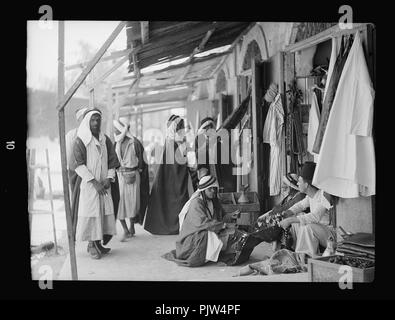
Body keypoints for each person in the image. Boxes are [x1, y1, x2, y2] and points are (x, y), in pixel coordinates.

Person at [70, 108, 120, 259]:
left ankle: (98, 243)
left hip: (104, 184)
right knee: (91, 213)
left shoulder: (105, 139)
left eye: (98, 120)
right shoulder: (80, 140)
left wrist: (108, 178)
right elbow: (78, 164)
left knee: (102, 213)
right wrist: (94, 182)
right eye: (93, 120)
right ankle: (91, 245)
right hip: (90, 185)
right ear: (87, 122)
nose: (96, 122)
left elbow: (112, 161)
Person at [163, 175, 239, 267]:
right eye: (210, 189)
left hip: (207, 229)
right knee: (207, 234)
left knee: (231, 234)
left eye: (214, 188)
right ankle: (200, 257)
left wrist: (231, 216)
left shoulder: (215, 201)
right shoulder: (196, 203)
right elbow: (202, 223)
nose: (213, 191)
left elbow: (220, 217)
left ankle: (210, 254)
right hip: (192, 238)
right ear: (203, 190)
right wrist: (224, 225)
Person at [274, 162, 335, 262]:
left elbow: (315, 216)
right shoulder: (310, 196)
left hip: (329, 235)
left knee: (308, 227)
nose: (297, 184)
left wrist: (289, 220)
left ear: (306, 184)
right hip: (318, 230)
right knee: (299, 217)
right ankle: (298, 252)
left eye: (299, 181)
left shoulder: (323, 196)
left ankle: (305, 257)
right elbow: (301, 205)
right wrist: (287, 213)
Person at [144, 115, 194, 235]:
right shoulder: (174, 142)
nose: (182, 128)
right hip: (174, 178)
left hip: (171, 176)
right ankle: (176, 226)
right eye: (181, 126)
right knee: (177, 201)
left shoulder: (174, 140)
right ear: (175, 128)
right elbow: (177, 164)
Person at [113, 117, 149, 241]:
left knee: (133, 204)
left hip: (133, 177)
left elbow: (143, 162)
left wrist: (137, 170)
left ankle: (132, 226)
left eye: (116, 129)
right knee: (120, 204)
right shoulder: (116, 143)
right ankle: (125, 229)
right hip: (120, 177)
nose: (115, 131)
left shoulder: (135, 143)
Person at [66, 106, 88, 191]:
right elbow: (68, 157)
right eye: (83, 118)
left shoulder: (95, 134)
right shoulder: (71, 135)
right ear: (78, 120)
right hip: (76, 171)